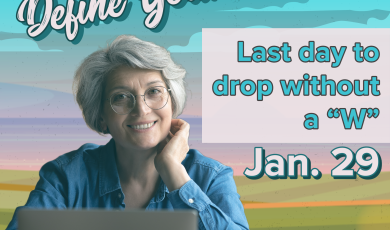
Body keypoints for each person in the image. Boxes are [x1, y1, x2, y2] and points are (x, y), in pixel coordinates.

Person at [6, 35, 249, 230]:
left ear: (173, 102)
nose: (141, 110)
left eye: (154, 92)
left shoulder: (212, 177)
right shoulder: (66, 177)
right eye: (121, 97)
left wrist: (175, 175)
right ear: (101, 118)